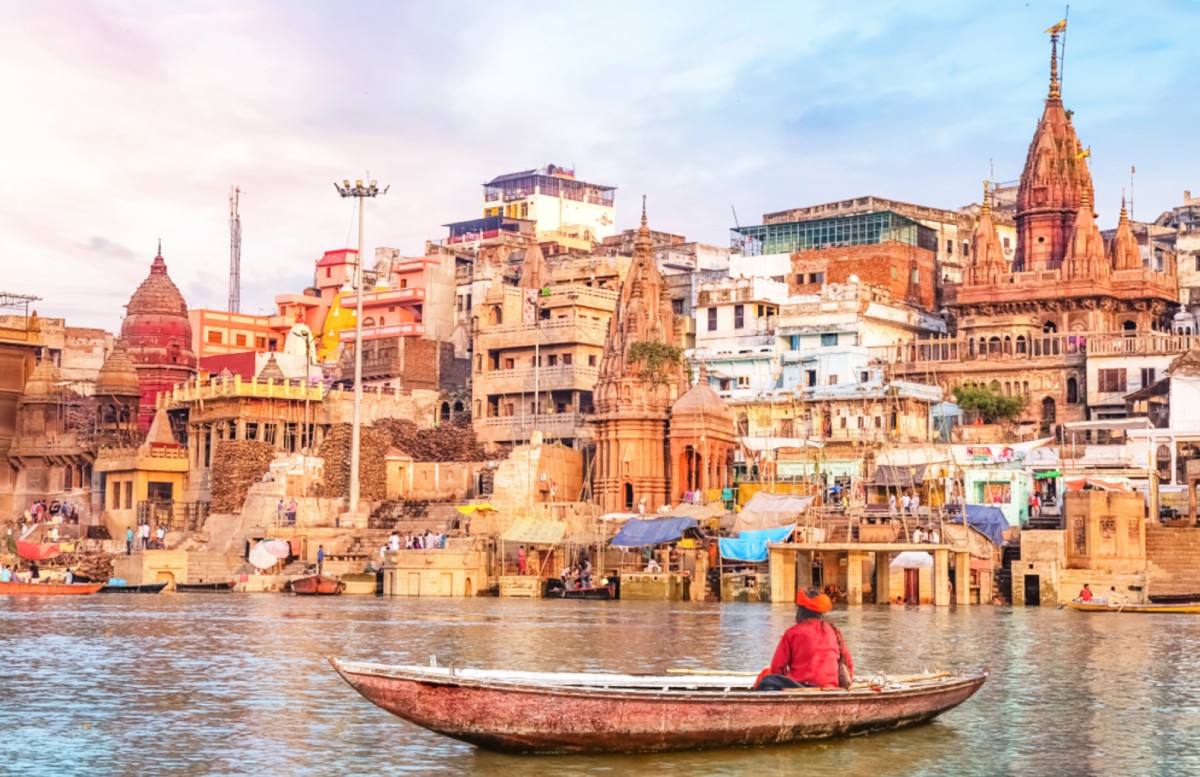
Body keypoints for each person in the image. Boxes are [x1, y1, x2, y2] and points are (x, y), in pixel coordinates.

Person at [755, 587, 853, 691]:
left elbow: (776, 668)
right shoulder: (835, 631)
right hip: (830, 687)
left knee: (766, 679)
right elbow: (849, 664)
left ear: (800, 612)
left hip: (799, 687)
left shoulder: (791, 633)